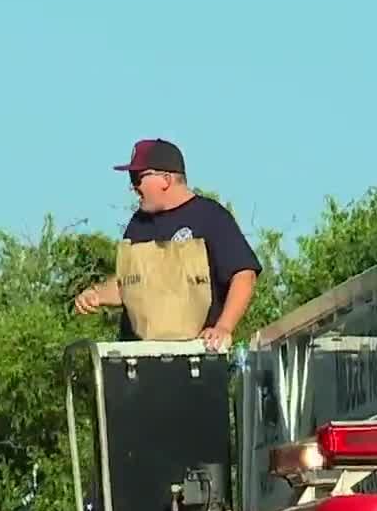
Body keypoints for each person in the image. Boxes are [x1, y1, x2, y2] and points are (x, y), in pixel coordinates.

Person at [73, 138, 262, 352]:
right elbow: (129, 283)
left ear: (165, 178)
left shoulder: (210, 216)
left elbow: (244, 274)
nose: (133, 187)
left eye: (138, 177)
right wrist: (96, 295)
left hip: (194, 357)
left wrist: (223, 328)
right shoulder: (138, 224)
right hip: (137, 359)